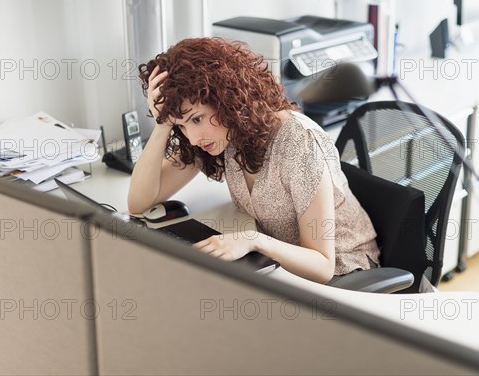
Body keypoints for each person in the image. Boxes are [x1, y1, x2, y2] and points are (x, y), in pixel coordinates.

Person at [128, 37, 379, 284]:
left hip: (345, 273)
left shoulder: (299, 143)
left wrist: (252, 240)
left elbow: (323, 265)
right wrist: (163, 123)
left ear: (226, 100)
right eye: (180, 126)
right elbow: (139, 203)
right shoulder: (221, 136)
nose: (193, 138)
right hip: (281, 268)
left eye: (196, 119)